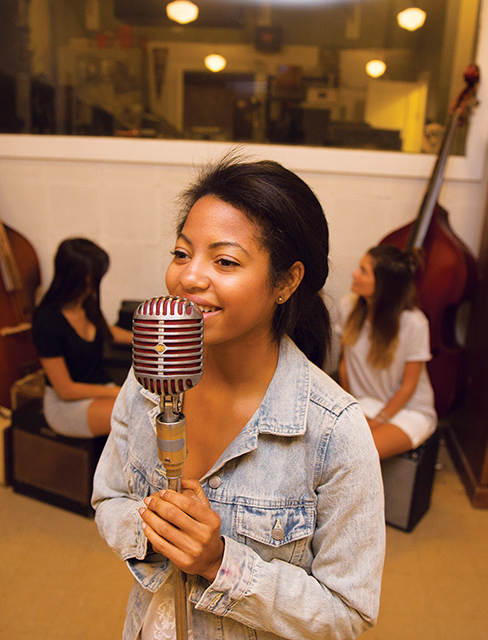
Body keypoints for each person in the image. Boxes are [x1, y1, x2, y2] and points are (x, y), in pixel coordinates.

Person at [91, 157, 385, 640]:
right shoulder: (151, 377)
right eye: (182, 253)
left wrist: (220, 562)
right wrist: (149, 530)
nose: (189, 278)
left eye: (225, 261)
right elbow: (108, 499)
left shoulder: (335, 431)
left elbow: (346, 614)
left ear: (287, 282)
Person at [338, 245, 437, 460]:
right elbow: (345, 365)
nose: (354, 273)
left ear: (384, 284)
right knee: (330, 446)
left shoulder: (414, 323)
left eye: (363, 270)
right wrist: (350, 409)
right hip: (364, 402)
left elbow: (409, 385)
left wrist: (377, 422)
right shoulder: (347, 308)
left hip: (408, 411)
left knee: (357, 453)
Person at [31, 237, 132, 438]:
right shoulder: (46, 320)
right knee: (136, 414)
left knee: (145, 407)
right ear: (81, 277)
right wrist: (119, 392)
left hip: (100, 389)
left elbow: (107, 332)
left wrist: (152, 337)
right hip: (66, 405)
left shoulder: (86, 303)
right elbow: (66, 390)